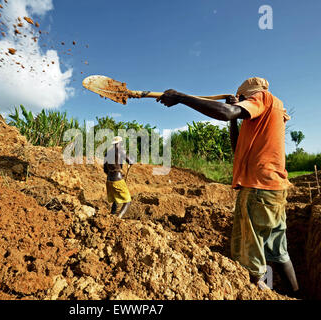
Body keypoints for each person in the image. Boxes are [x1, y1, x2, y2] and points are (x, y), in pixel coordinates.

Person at [157, 77, 299, 296]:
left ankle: (259, 292)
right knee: (278, 252)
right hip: (274, 191)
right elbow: (236, 146)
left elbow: (225, 112)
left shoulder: (263, 97)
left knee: (250, 260)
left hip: (258, 190)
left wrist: (181, 97)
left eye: (243, 99)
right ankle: (296, 294)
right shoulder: (266, 117)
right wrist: (234, 118)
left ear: (248, 96)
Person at [103, 136, 134, 218]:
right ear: (120, 143)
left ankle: (112, 214)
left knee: (116, 199)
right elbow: (130, 161)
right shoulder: (120, 151)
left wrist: (112, 174)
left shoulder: (107, 153)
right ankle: (118, 218)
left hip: (109, 180)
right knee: (128, 201)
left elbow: (105, 170)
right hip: (117, 179)